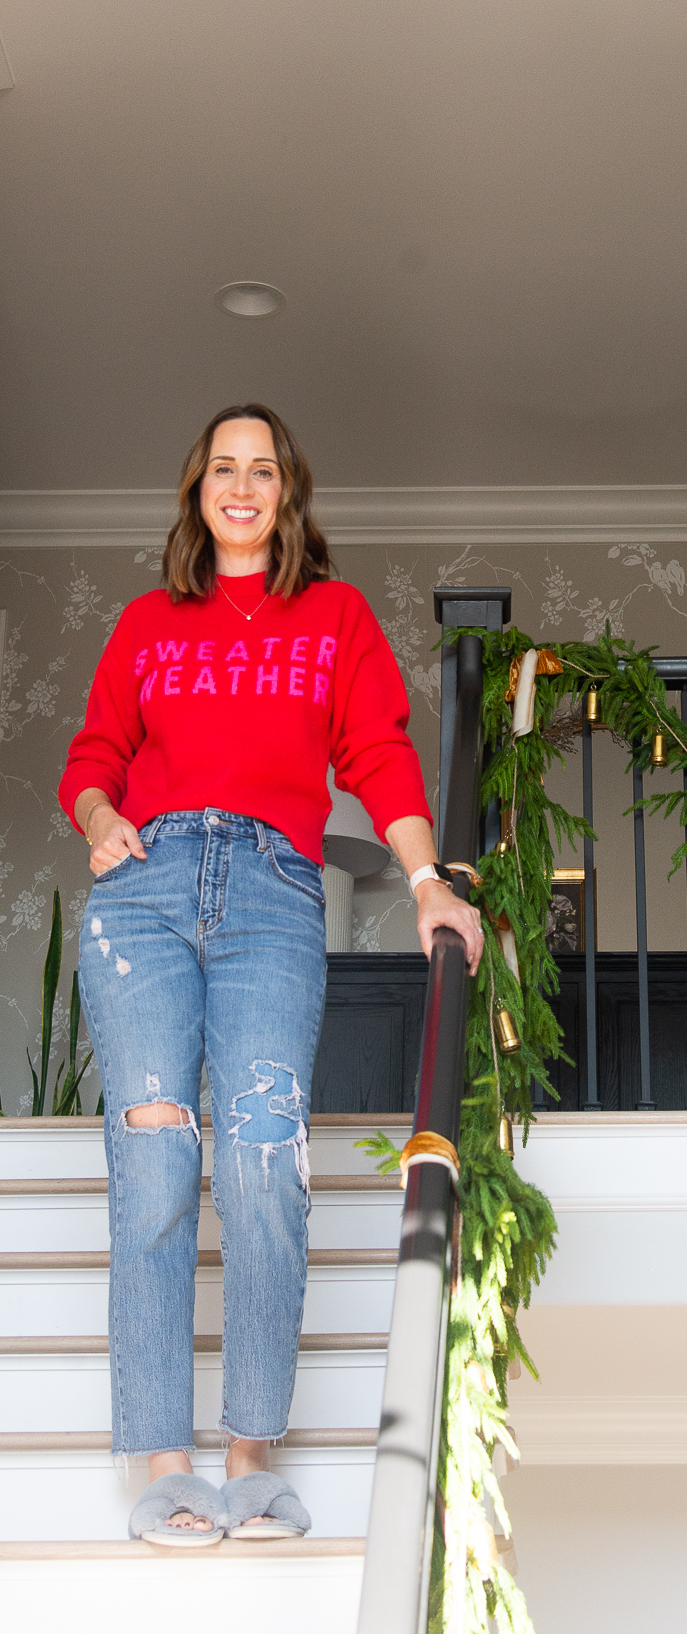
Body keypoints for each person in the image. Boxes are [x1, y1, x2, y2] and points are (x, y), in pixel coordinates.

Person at [59, 403, 483, 1546]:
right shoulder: (149, 623)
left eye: (263, 471)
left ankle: (250, 1455)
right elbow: (94, 756)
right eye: (221, 470)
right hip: (143, 892)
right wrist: (101, 819)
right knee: (153, 1160)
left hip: (271, 892)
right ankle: (162, 1459)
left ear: (288, 494)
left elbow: (379, 751)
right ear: (197, 490)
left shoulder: (332, 618)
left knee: (260, 1159)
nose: (241, 488)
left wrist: (430, 879)